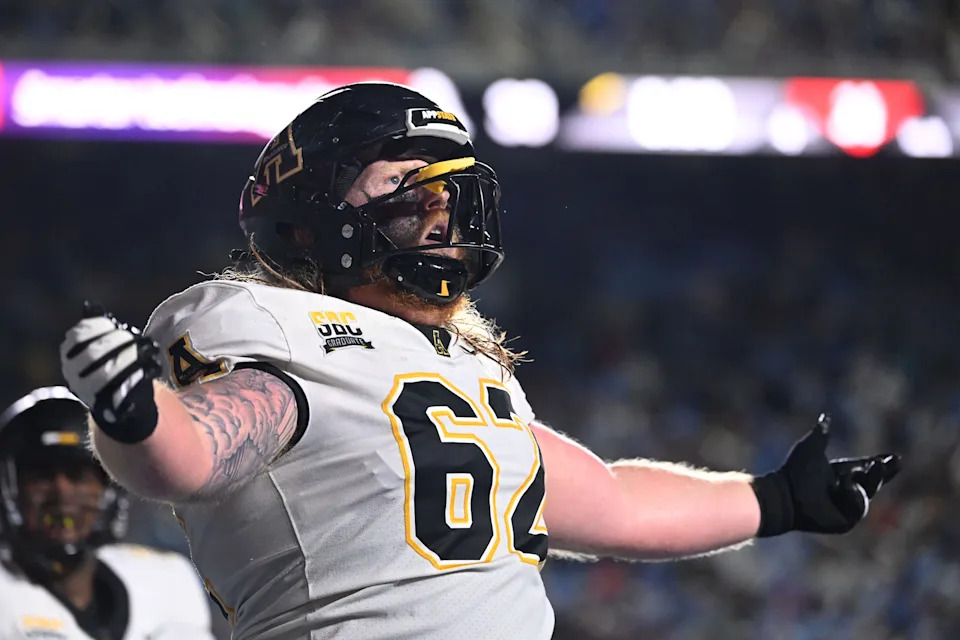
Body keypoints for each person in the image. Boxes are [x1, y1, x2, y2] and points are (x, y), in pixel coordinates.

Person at [59, 82, 901, 640]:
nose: (441, 215)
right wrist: (136, 413)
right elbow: (197, 451)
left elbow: (610, 498)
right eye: (412, 190)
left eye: (449, 195)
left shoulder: (462, 368)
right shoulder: (273, 327)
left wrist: (773, 500)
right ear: (314, 212)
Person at [0, 386, 215, 639]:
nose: (62, 493)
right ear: (10, 489)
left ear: (109, 489)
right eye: (41, 477)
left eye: (78, 477)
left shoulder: (167, 583)